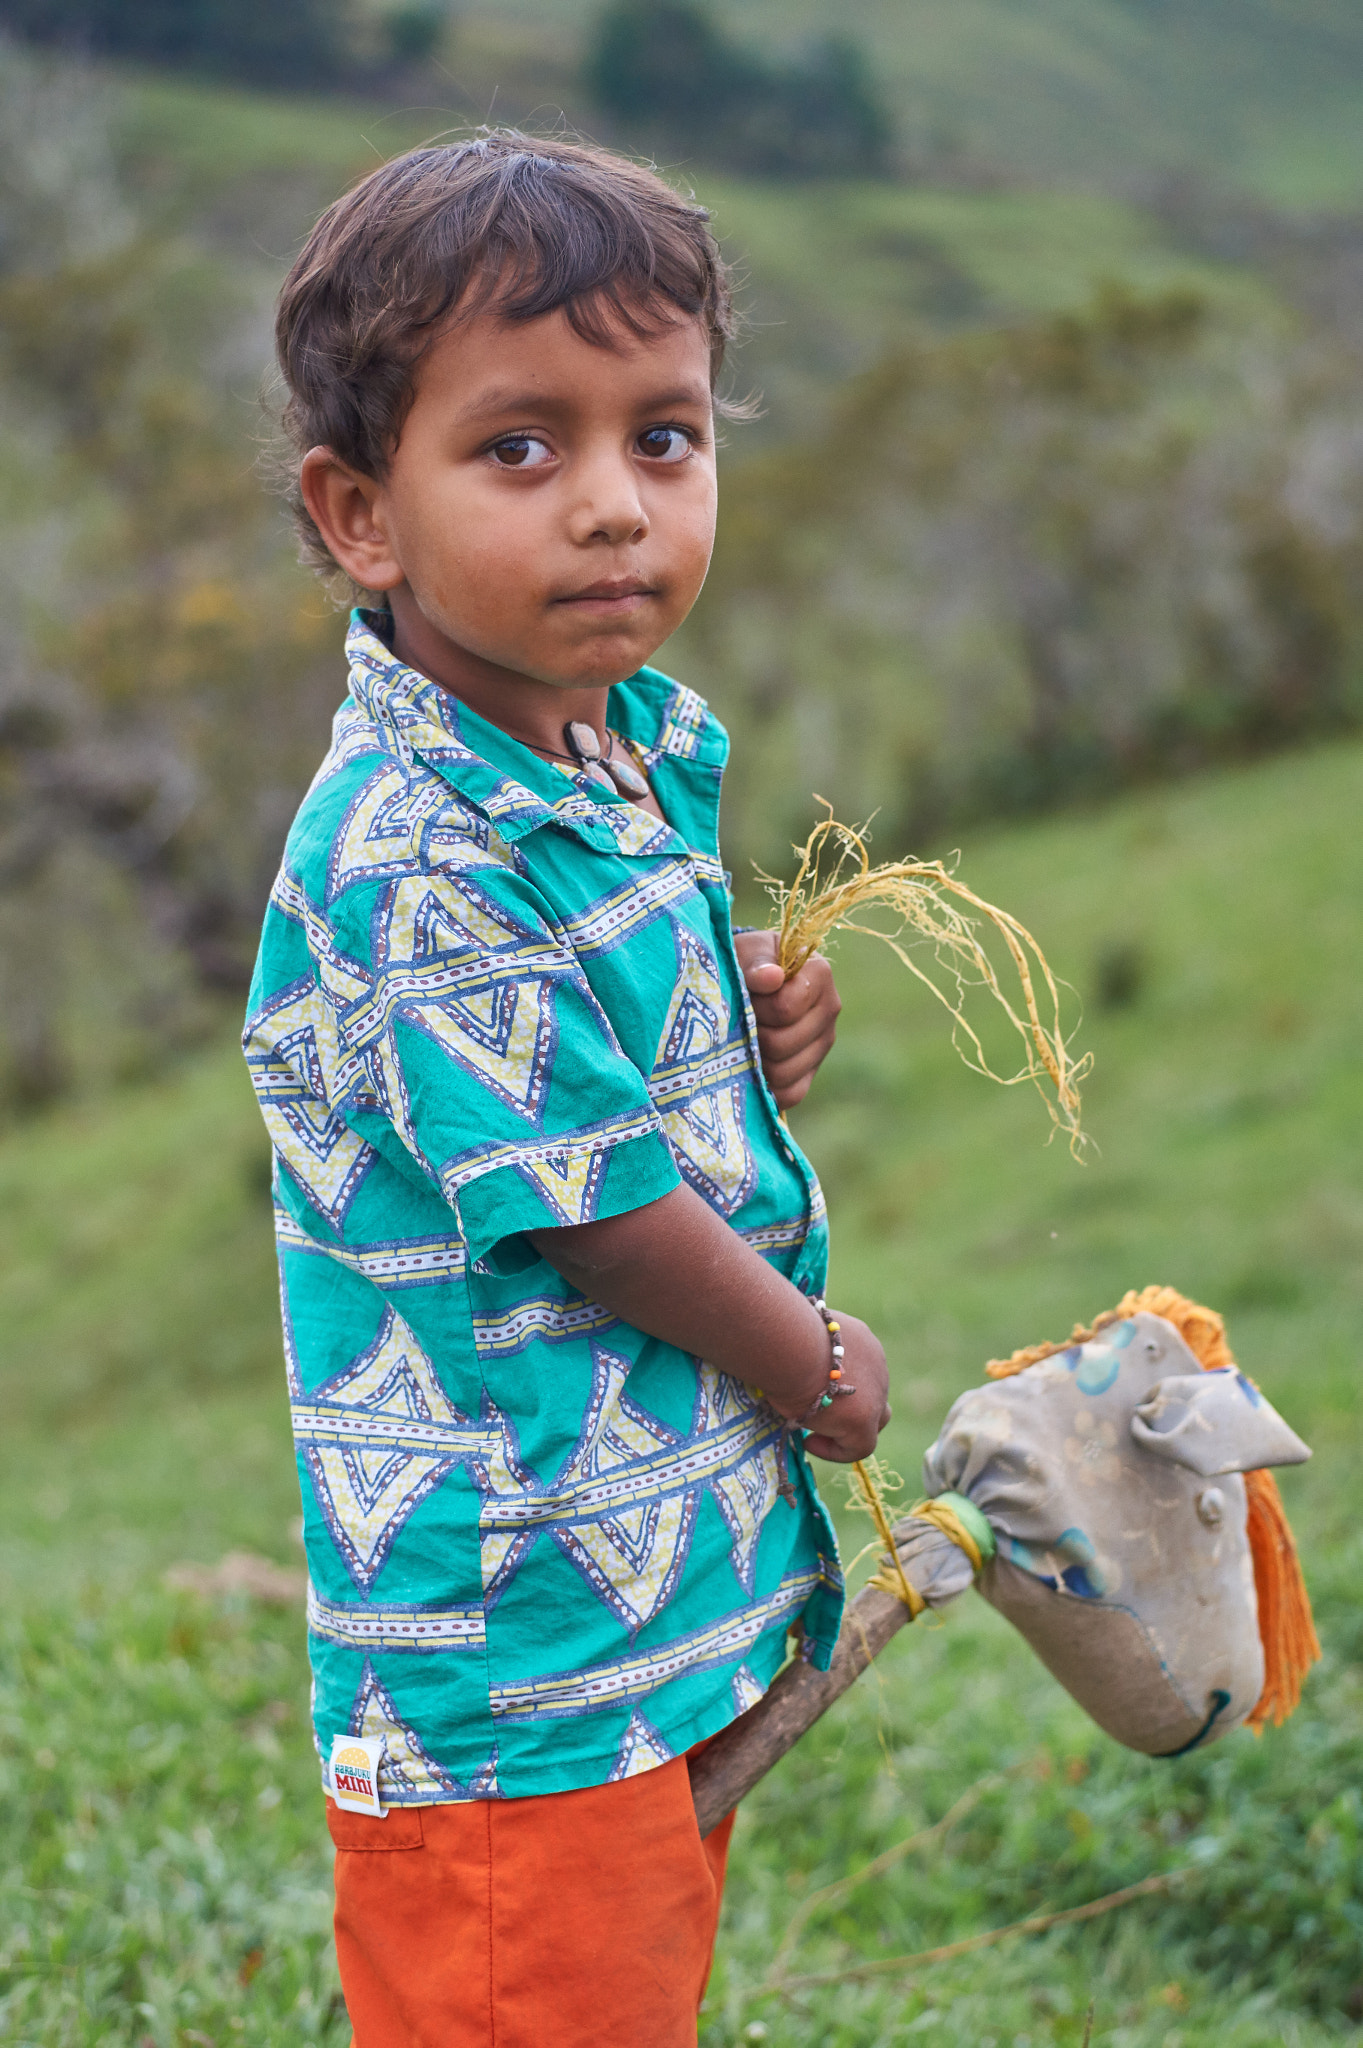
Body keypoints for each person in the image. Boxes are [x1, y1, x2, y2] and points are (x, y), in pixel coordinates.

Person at [244, 130, 891, 2048]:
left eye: (663, 438)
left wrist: (740, 1018)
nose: (613, 505)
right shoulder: (418, 846)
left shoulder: (599, 753)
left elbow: (580, 1077)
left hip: (633, 1587)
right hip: (512, 1650)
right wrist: (807, 1355)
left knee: (622, 1997)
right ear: (364, 514)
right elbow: (590, 1204)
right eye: (521, 449)